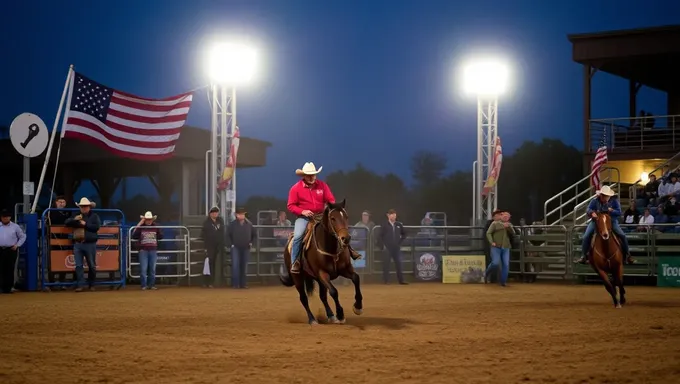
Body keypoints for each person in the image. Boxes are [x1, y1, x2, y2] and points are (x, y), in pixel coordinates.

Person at [287, 162, 361, 274]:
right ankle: (295, 262)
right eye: (309, 175)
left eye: (313, 174)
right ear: (304, 176)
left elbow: (330, 199)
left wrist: (332, 208)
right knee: (298, 236)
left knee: (338, 229)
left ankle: (350, 251)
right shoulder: (295, 188)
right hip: (304, 218)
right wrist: (303, 211)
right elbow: (291, 205)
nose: (312, 177)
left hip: (321, 216)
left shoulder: (322, 186)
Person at [575, 185, 635, 265]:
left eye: (607, 196)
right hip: (596, 221)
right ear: (601, 195)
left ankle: (628, 255)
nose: (605, 198)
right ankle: (583, 256)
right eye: (604, 196)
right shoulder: (595, 200)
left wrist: (612, 211)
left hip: (611, 221)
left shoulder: (614, 201)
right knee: (586, 235)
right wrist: (592, 212)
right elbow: (588, 209)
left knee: (622, 235)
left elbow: (619, 212)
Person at [64, 198, 101, 292]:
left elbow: (96, 227)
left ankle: (91, 284)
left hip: (89, 243)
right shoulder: (76, 215)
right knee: (79, 265)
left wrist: (85, 224)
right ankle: (81, 284)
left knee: (91, 265)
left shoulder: (94, 216)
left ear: (89, 207)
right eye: (82, 206)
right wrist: (74, 220)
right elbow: (67, 222)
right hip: (79, 243)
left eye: (85, 206)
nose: (84, 208)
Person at [132, 211, 162, 290]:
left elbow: (161, 236)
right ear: (145, 220)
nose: (148, 221)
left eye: (150, 219)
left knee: (152, 268)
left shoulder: (155, 227)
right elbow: (134, 236)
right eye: (147, 219)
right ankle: (144, 285)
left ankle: (151, 285)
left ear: (152, 220)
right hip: (143, 250)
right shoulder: (141, 227)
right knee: (143, 269)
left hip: (152, 250)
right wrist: (140, 224)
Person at [377, 209, 408, 285]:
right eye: (391, 214)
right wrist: (383, 246)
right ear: (388, 215)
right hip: (387, 248)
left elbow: (404, 234)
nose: (393, 216)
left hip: (396, 248)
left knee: (399, 264)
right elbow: (379, 236)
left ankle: (401, 280)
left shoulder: (399, 224)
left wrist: (400, 242)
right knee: (386, 264)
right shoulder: (384, 225)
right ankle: (386, 280)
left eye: (394, 214)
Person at [227, 207, 256, 288]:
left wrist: (251, 243)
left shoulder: (249, 224)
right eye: (240, 214)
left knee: (244, 266)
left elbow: (254, 235)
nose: (242, 216)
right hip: (235, 247)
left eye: (243, 214)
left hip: (246, 247)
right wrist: (231, 244)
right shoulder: (232, 224)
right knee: (235, 265)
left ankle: (243, 284)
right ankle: (235, 284)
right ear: (236, 215)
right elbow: (228, 235)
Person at [0, 209, 26, 294]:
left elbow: (23, 236)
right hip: (0, 249)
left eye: (7, 217)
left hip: (10, 249)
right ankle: (1, 287)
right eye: (4, 217)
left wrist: (17, 245)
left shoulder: (15, 226)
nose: (5, 218)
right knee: (1, 268)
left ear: (10, 217)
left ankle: (8, 287)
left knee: (10, 268)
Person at [485, 210, 513, 286]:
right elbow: (488, 233)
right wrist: (491, 242)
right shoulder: (494, 224)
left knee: (506, 264)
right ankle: (486, 273)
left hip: (506, 247)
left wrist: (508, 227)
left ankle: (503, 282)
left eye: (507, 216)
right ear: (501, 216)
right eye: (504, 215)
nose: (505, 217)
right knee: (495, 263)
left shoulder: (509, 225)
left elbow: (513, 233)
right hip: (496, 247)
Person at [201, 206, 226, 287]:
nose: (215, 213)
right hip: (209, 246)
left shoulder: (220, 221)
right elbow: (203, 235)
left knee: (214, 264)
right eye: (213, 212)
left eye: (216, 212)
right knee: (208, 264)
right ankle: (206, 282)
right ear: (210, 213)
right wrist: (205, 247)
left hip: (218, 246)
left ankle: (211, 281)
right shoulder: (206, 223)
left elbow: (222, 233)